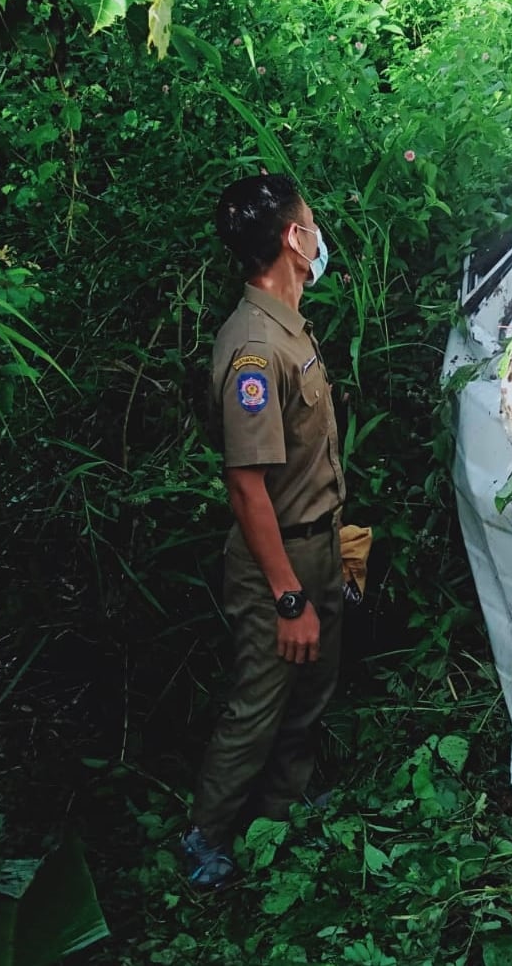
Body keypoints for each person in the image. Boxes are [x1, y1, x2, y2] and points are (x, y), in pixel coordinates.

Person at [180, 173, 346, 892]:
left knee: (309, 691)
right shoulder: (253, 347)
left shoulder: (288, 322)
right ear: (292, 237)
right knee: (259, 702)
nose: (317, 233)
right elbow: (246, 486)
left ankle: (285, 810)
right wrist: (287, 598)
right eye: (309, 223)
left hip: (316, 543)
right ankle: (205, 840)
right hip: (274, 560)